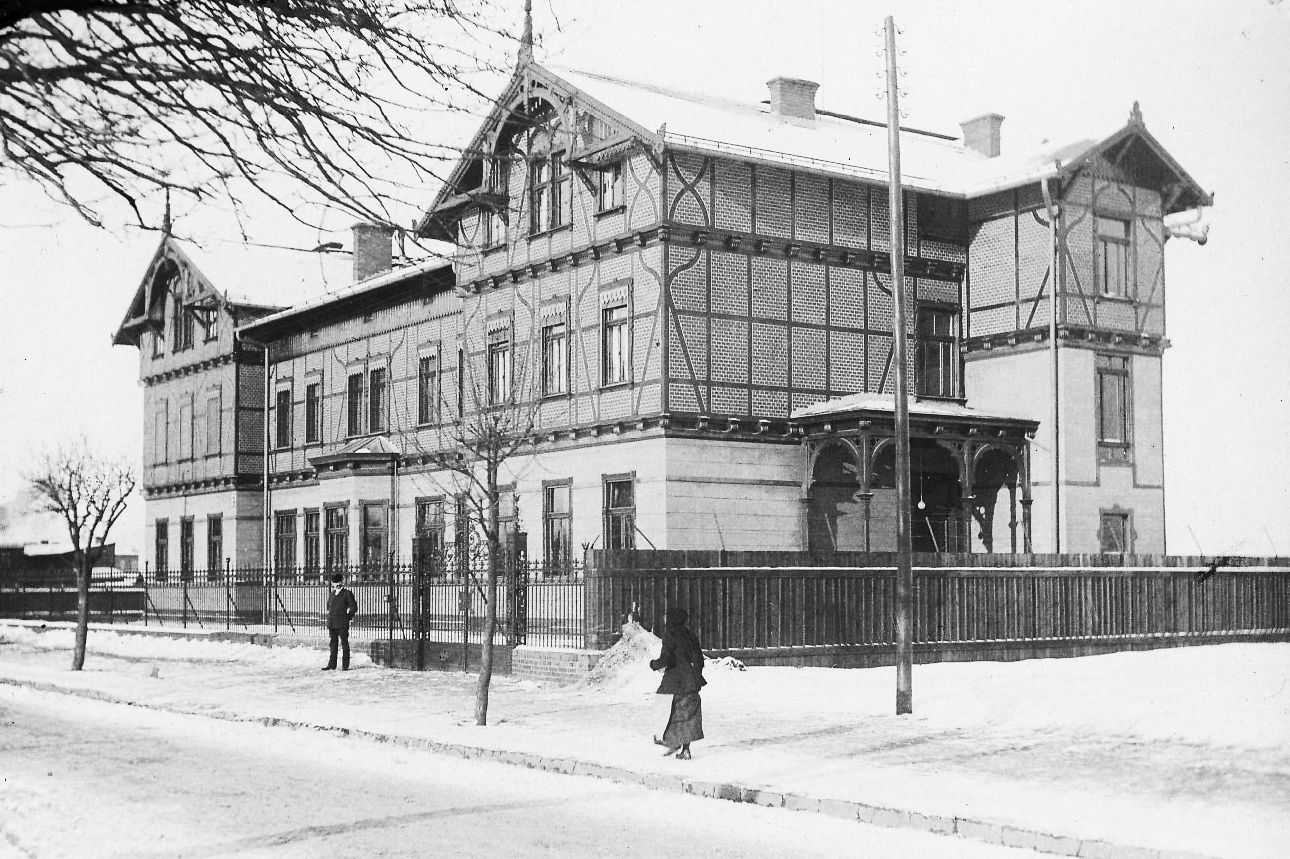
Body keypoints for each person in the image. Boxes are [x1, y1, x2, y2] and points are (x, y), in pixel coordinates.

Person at [648, 606, 706, 759]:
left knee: (666, 710)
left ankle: (670, 741)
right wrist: (695, 675)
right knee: (687, 714)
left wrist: (654, 664)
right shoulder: (690, 635)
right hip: (691, 681)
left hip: (674, 681)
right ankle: (685, 749)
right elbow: (699, 659)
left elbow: (665, 659)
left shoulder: (670, 635)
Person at [322, 573, 358, 671]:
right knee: (333, 644)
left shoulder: (347, 593)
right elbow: (329, 607)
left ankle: (345, 665)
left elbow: (354, 608)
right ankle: (331, 664)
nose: (335, 585)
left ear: (341, 582)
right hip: (332, 623)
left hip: (342, 623)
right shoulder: (332, 594)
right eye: (333, 583)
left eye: (336, 582)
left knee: (344, 644)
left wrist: (347, 618)